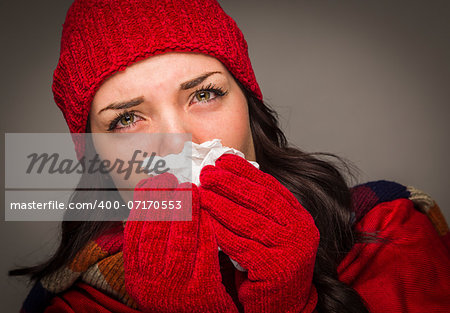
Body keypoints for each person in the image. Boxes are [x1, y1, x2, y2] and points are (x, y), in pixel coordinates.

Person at [10, 0, 450, 312]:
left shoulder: (389, 231)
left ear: (248, 105)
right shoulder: (73, 304)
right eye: (126, 120)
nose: (178, 141)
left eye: (203, 94)